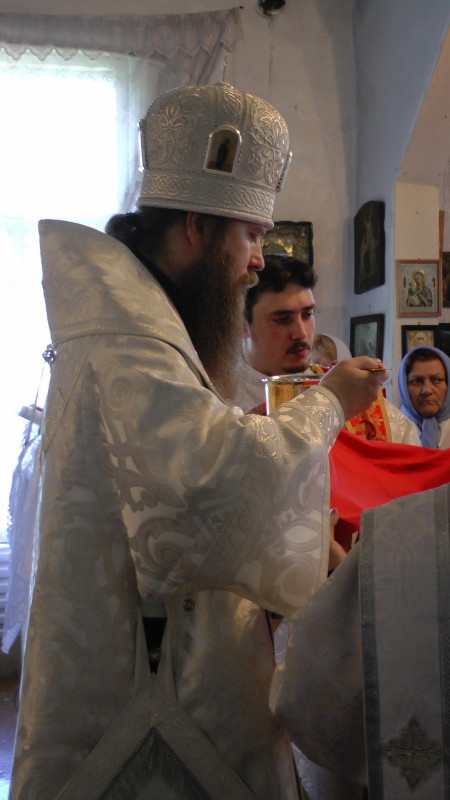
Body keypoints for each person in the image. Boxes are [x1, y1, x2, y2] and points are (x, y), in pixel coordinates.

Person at [10, 81, 386, 800]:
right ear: (196, 228)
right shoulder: (129, 339)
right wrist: (331, 402)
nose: (258, 258)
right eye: (251, 234)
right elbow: (213, 481)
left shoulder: (146, 324)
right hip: (147, 689)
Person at [233, 256, 419, 446]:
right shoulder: (222, 403)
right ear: (242, 325)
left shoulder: (349, 389)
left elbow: (408, 456)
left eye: (307, 315)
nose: (301, 333)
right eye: (282, 319)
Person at [398, 345, 450, 448]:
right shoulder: (391, 431)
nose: (427, 390)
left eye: (437, 380)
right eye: (417, 381)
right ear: (404, 387)